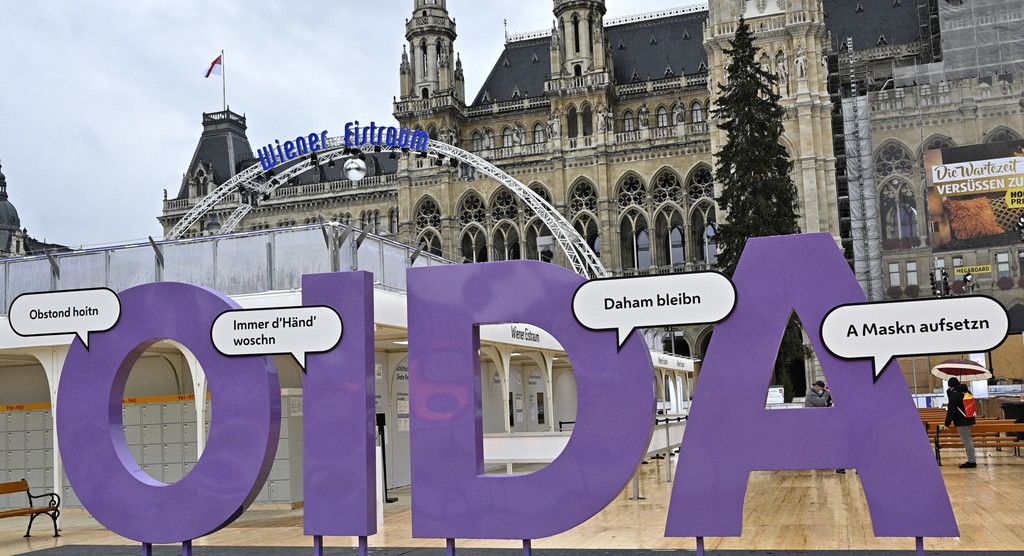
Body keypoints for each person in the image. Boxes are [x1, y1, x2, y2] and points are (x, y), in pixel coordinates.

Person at [805, 381, 846, 473]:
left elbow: (823, 404)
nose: (821, 391)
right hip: (814, 424)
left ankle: (822, 462)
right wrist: (827, 392)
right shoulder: (811, 394)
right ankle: (820, 463)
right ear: (818, 387)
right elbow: (821, 402)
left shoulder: (815, 394)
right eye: (821, 389)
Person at [943, 377, 977, 468]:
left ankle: (972, 461)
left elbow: (951, 410)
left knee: (967, 440)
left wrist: (947, 424)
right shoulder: (967, 392)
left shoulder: (955, 395)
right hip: (969, 418)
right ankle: (972, 460)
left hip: (962, 421)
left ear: (951, 386)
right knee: (967, 439)